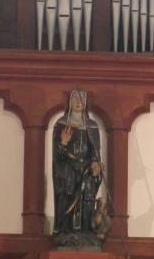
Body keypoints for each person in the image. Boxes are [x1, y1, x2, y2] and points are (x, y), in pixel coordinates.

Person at [52, 88, 103, 245]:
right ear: (69, 101)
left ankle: (86, 230)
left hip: (86, 169)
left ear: (86, 103)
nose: (78, 103)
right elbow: (57, 154)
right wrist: (63, 143)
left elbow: (95, 151)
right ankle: (65, 230)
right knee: (67, 197)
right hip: (67, 170)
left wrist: (95, 164)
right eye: (75, 99)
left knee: (87, 197)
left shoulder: (92, 126)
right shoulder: (61, 124)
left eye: (81, 99)